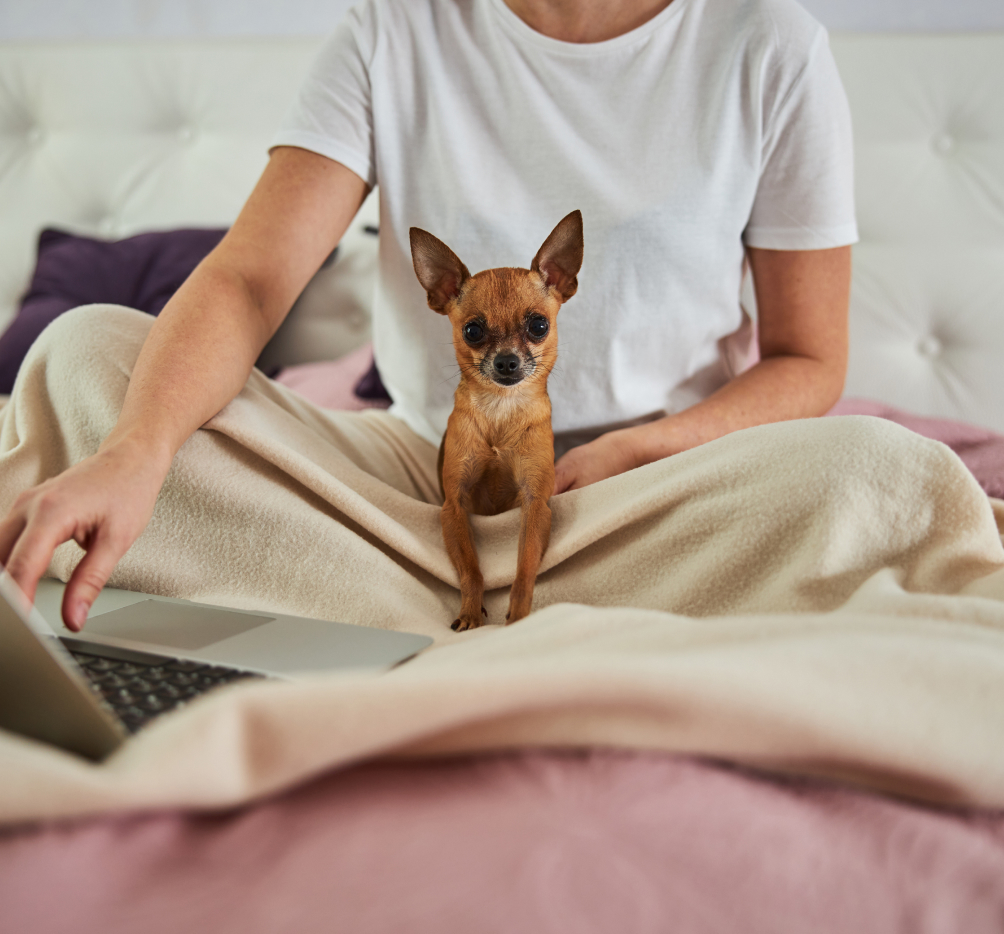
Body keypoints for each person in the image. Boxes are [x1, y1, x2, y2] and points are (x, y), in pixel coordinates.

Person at [0, 0, 856, 632]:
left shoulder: (770, 46)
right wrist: (137, 451)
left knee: (880, 474)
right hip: (415, 479)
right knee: (86, 355)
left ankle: (398, 601)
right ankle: (498, 591)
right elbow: (251, 281)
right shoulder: (393, 31)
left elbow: (809, 359)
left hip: (658, 490)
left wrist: (639, 450)